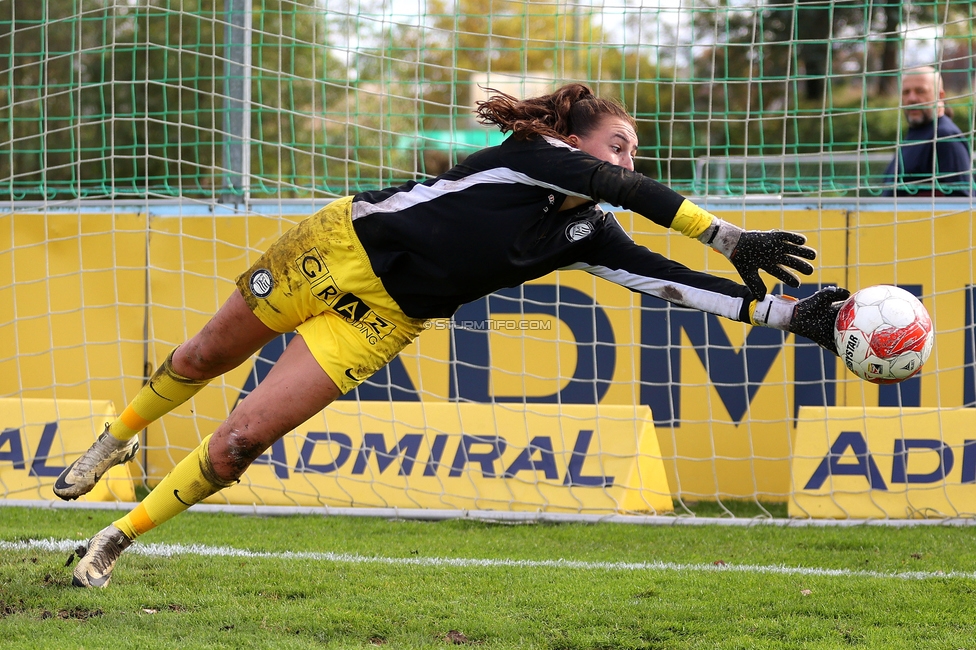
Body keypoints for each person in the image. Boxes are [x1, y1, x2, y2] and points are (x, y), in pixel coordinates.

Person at [56, 83, 849, 587]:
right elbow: (617, 186)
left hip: (386, 321)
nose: (630, 158)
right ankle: (115, 438)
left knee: (240, 444)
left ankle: (114, 540)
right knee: (202, 357)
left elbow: (663, 280)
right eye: (620, 142)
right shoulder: (535, 155)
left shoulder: (586, 233)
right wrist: (725, 233)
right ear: (573, 139)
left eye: (635, 150)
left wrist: (792, 314)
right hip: (338, 250)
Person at [881, 66, 973, 197]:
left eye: (920, 91)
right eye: (906, 92)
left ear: (940, 95)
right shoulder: (915, 133)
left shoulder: (944, 136)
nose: (912, 98)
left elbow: (961, 200)